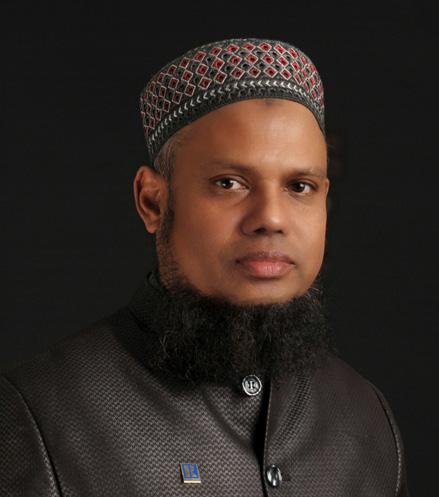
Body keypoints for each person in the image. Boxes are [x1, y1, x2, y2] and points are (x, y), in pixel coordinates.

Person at [0, 38, 409, 496]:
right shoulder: (37, 417)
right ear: (153, 201)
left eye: (299, 186)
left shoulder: (365, 418)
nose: (271, 218)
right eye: (229, 183)